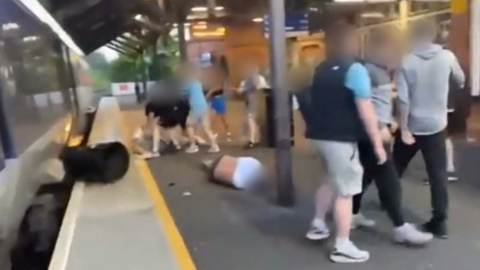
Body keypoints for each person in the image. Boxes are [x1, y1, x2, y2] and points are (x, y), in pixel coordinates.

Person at [300, 23, 386, 263]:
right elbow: (365, 108)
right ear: (351, 43)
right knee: (346, 192)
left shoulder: (322, 68)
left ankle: (318, 223)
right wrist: (378, 144)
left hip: (319, 136)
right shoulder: (355, 69)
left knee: (328, 179)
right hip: (341, 139)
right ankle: (342, 245)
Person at [351, 28, 433, 245]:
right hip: (373, 135)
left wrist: (390, 120)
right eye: (390, 48)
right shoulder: (368, 70)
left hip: (375, 133)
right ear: (379, 47)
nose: (393, 53)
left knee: (366, 175)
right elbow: (362, 104)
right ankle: (400, 226)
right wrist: (380, 126)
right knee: (389, 179)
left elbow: (379, 101)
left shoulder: (378, 69)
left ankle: (351, 213)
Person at [392, 19, 465, 239]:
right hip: (437, 125)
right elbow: (461, 80)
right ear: (432, 35)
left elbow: (403, 100)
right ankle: (440, 222)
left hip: (413, 124)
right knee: (437, 175)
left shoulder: (406, 62)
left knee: (395, 168)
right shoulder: (447, 57)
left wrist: (404, 128)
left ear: (413, 36)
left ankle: (390, 204)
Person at [182, 61, 220, 153]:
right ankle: (215, 146)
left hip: (196, 107)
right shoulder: (197, 82)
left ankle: (193, 146)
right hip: (204, 106)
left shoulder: (189, 82)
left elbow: (181, 91)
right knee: (207, 128)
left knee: (189, 125)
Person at [201, 155, 271, 192]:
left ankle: (210, 164)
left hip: (220, 168)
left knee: (217, 166)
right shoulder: (243, 184)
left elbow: (239, 159)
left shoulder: (256, 164)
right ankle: (211, 165)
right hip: (219, 170)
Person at [237, 63, 267, 148]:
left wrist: (243, 90)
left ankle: (252, 140)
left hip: (252, 101)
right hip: (255, 101)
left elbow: (243, 89)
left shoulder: (251, 79)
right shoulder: (259, 79)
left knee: (251, 120)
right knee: (254, 121)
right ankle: (255, 139)